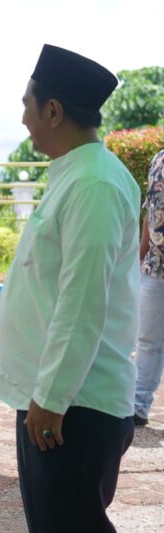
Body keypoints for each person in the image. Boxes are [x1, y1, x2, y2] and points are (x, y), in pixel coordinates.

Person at [0, 45, 139, 533]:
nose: (23, 118)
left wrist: (51, 398)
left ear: (53, 111)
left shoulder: (93, 183)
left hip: (75, 403)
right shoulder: (75, 174)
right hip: (53, 395)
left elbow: (82, 303)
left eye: (27, 105)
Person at [133, 147, 164, 427]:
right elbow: (149, 212)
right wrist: (139, 258)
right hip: (156, 267)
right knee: (147, 340)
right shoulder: (158, 159)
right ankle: (138, 406)